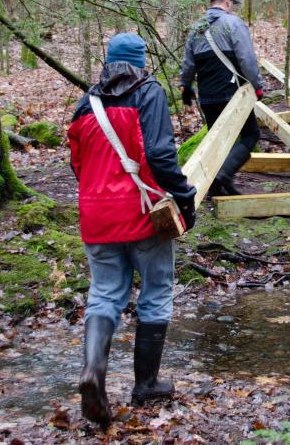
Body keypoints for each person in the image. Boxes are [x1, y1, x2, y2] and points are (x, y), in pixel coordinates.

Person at [68, 33, 196, 429]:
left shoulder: (85, 102)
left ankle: (93, 372)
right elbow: (159, 154)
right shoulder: (149, 92)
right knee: (156, 291)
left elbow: (76, 162)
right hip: (143, 213)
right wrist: (185, 197)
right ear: (140, 62)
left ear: (108, 61)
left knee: (104, 294)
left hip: (96, 216)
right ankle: (146, 384)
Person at [180, 0, 264, 196]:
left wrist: (186, 86)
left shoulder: (196, 28)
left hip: (207, 95)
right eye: (231, 4)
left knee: (218, 141)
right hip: (231, 93)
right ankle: (224, 174)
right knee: (250, 134)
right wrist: (256, 85)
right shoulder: (233, 23)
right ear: (227, 1)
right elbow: (246, 58)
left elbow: (188, 63)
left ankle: (214, 188)